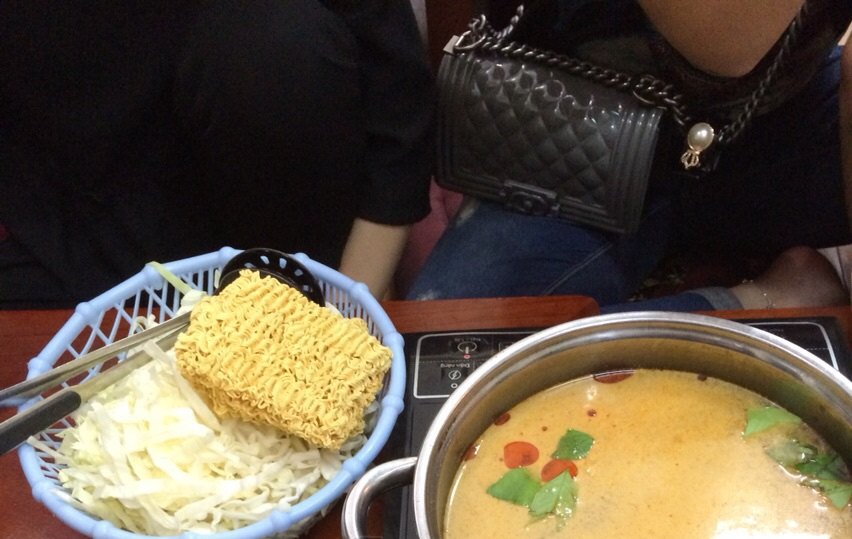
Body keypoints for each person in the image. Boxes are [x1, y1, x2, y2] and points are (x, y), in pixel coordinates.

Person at [407, 0, 852, 313]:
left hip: (780, 118)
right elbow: (729, 42)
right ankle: (773, 298)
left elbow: (736, 43)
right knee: (451, 357)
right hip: (574, 131)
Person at [0, 0, 436, 308]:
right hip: (59, 233)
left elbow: (397, 114)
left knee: (270, 45)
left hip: (290, 252)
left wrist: (344, 315)